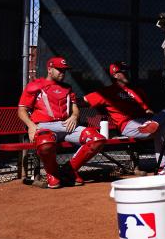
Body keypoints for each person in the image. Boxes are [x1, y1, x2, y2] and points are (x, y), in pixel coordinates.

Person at [17, 57, 106, 189]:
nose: (62, 73)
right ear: (49, 69)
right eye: (59, 70)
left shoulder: (68, 88)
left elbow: (74, 107)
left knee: (97, 139)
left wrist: (75, 116)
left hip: (66, 125)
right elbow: (22, 110)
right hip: (44, 126)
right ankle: (52, 174)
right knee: (45, 143)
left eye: (64, 70)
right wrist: (30, 125)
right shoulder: (35, 85)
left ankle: (69, 170)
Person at [84, 61, 165, 174]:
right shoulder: (107, 92)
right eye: (123, 71)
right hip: (127, 125)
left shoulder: (135, 91)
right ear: (115, 75)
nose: (127, 73)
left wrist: (152, 116)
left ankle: (162, 167)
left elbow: (147, 110)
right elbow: (84, 100)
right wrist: (73, 112)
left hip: (143, 122)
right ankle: (162, 166)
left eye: (127, 71)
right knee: (162, 126)